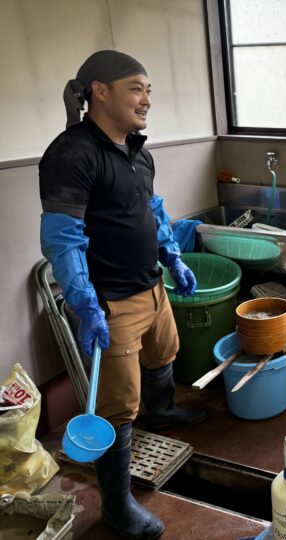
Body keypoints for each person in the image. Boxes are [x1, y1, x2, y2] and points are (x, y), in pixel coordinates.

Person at [39, 50, 208, 540]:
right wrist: (84, 303)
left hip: (151, 286)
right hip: (110, 301)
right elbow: (63, 239)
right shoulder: (72, 153)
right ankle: (116, 506)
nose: (147, 100)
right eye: (137, 88)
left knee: (164, 355)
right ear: (100, 91)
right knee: (118, 407)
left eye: (149, 90)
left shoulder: (137, 151)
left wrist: (172, 257)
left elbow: (152, 210)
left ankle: (166, 412)